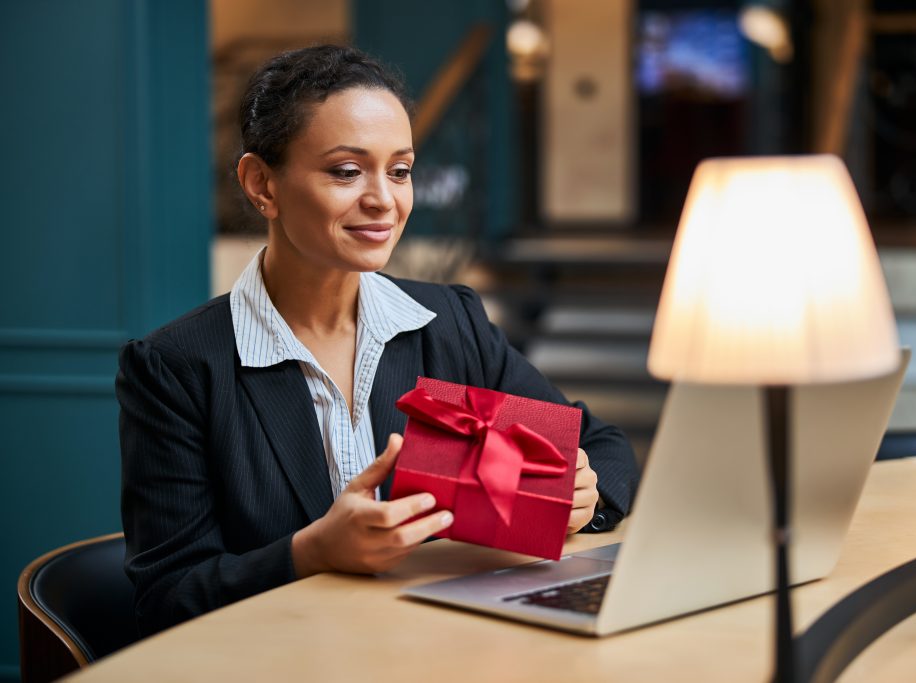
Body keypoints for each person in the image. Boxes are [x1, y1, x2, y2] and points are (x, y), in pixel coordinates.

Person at [116, 44, 640, 636]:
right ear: (262, 183)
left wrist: (584, 494)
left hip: (439, 650)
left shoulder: (449, 322)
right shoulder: (177, 368)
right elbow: (167, 599)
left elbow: (602, 444)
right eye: (345, 171)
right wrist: (310, 552)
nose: (384, 201)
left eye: (400, 171)